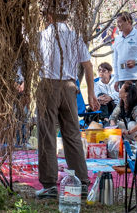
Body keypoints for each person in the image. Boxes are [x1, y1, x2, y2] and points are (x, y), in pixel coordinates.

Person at [36, 12, 97, 200]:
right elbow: (88, 66)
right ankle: (82, 183)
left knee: (47, 135)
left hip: (48, 85)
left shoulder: (42, 36)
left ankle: (49, 184)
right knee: (72, 135)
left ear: (49, 17)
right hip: (70, 87)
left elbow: (30, 62)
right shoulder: (74, 36)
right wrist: (90, 93)